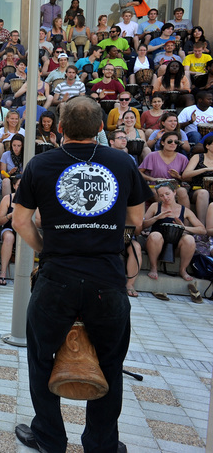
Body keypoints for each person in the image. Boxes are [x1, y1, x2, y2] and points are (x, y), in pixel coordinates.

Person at [12, 96, 151, 453]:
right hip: (107, 277)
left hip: (56, 276)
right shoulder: (122, 161)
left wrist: (46, 248)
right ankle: (101, 444)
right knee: (110, 362)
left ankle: (49, 437)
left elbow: (20, 221)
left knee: (41, 358)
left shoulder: (40, 165)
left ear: (59, 128)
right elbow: (137, 220)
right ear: (101, 128)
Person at [143, 181, 206, 281]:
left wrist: (184, 227)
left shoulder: (184, 210)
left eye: (167, 194)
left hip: (175, 247)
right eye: (161, 196)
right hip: (155, 243)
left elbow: (202, 230)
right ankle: (153, 267)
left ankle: (182, 270)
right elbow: (142, 225)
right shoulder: (155, 206)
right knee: (155, 235)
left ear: (174, 192)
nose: (165, 198)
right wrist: (156, 218)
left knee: (189, 239)